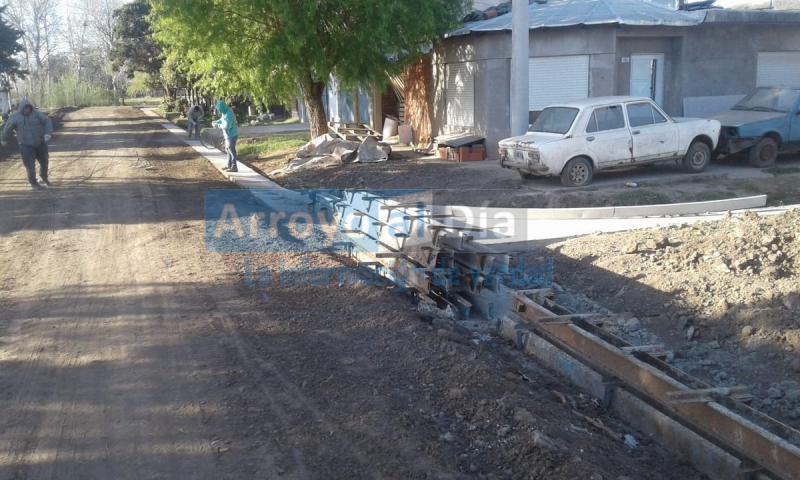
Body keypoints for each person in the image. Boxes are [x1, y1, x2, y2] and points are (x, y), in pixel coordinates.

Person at [1, 98, 53, 190]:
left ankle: (44, 177)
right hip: (26, 146)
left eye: (29, 108)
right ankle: (34, 183)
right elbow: (8, 128)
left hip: (40, 143)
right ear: (21, 108)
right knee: (30, 166)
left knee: (44, 162)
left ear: (31, 108)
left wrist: (48, 133)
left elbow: (47, 121)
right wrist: (4, 139)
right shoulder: (15, 117)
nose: (27, 110)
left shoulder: (37, 114)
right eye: (25, 108)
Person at [213, 100, 239, 173]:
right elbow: (222, 119)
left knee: (231, 149)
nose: (219, 111)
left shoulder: (229, 114)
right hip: (227, 135)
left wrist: (217, 125)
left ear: (222, 108)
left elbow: (226, 126)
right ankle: (229, 165)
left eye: (219, 109)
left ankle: (234, 167)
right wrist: (217, 121)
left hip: (232, 135)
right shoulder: (225, 112)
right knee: (228, 150)